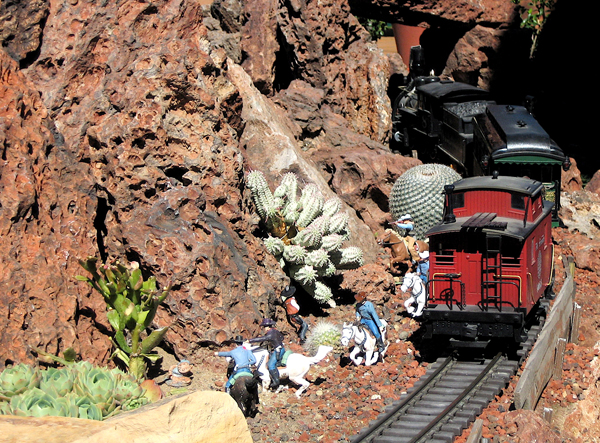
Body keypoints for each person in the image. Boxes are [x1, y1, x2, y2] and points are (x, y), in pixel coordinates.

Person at [248, 318, 285, 390]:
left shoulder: (270, 333)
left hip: (278, 350)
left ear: (268, 327)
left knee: (271, 365)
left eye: (265, 327)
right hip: (278, 348)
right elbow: (282, 337)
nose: (264, 329)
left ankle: (276, 381)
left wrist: (250, 340)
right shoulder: (275, 330)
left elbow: (262, 338)